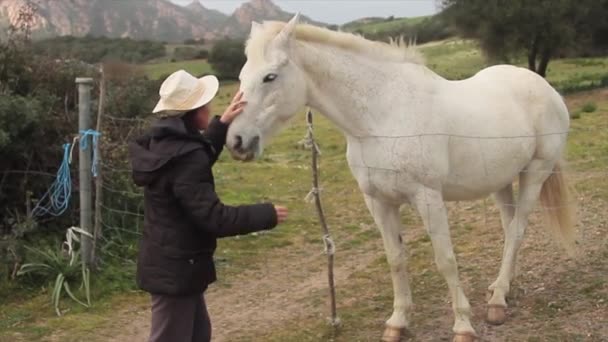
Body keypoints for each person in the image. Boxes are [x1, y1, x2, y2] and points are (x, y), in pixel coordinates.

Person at [128, 70, 288, 342]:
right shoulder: (185, 157)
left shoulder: (166, 145)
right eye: (206, 104)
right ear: (195, 112)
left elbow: (192, 165)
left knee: (198, 334)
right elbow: (215, 218)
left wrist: (221, 124)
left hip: (173, 263)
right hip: (177, 269)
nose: (211, 107)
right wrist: (266, 214)